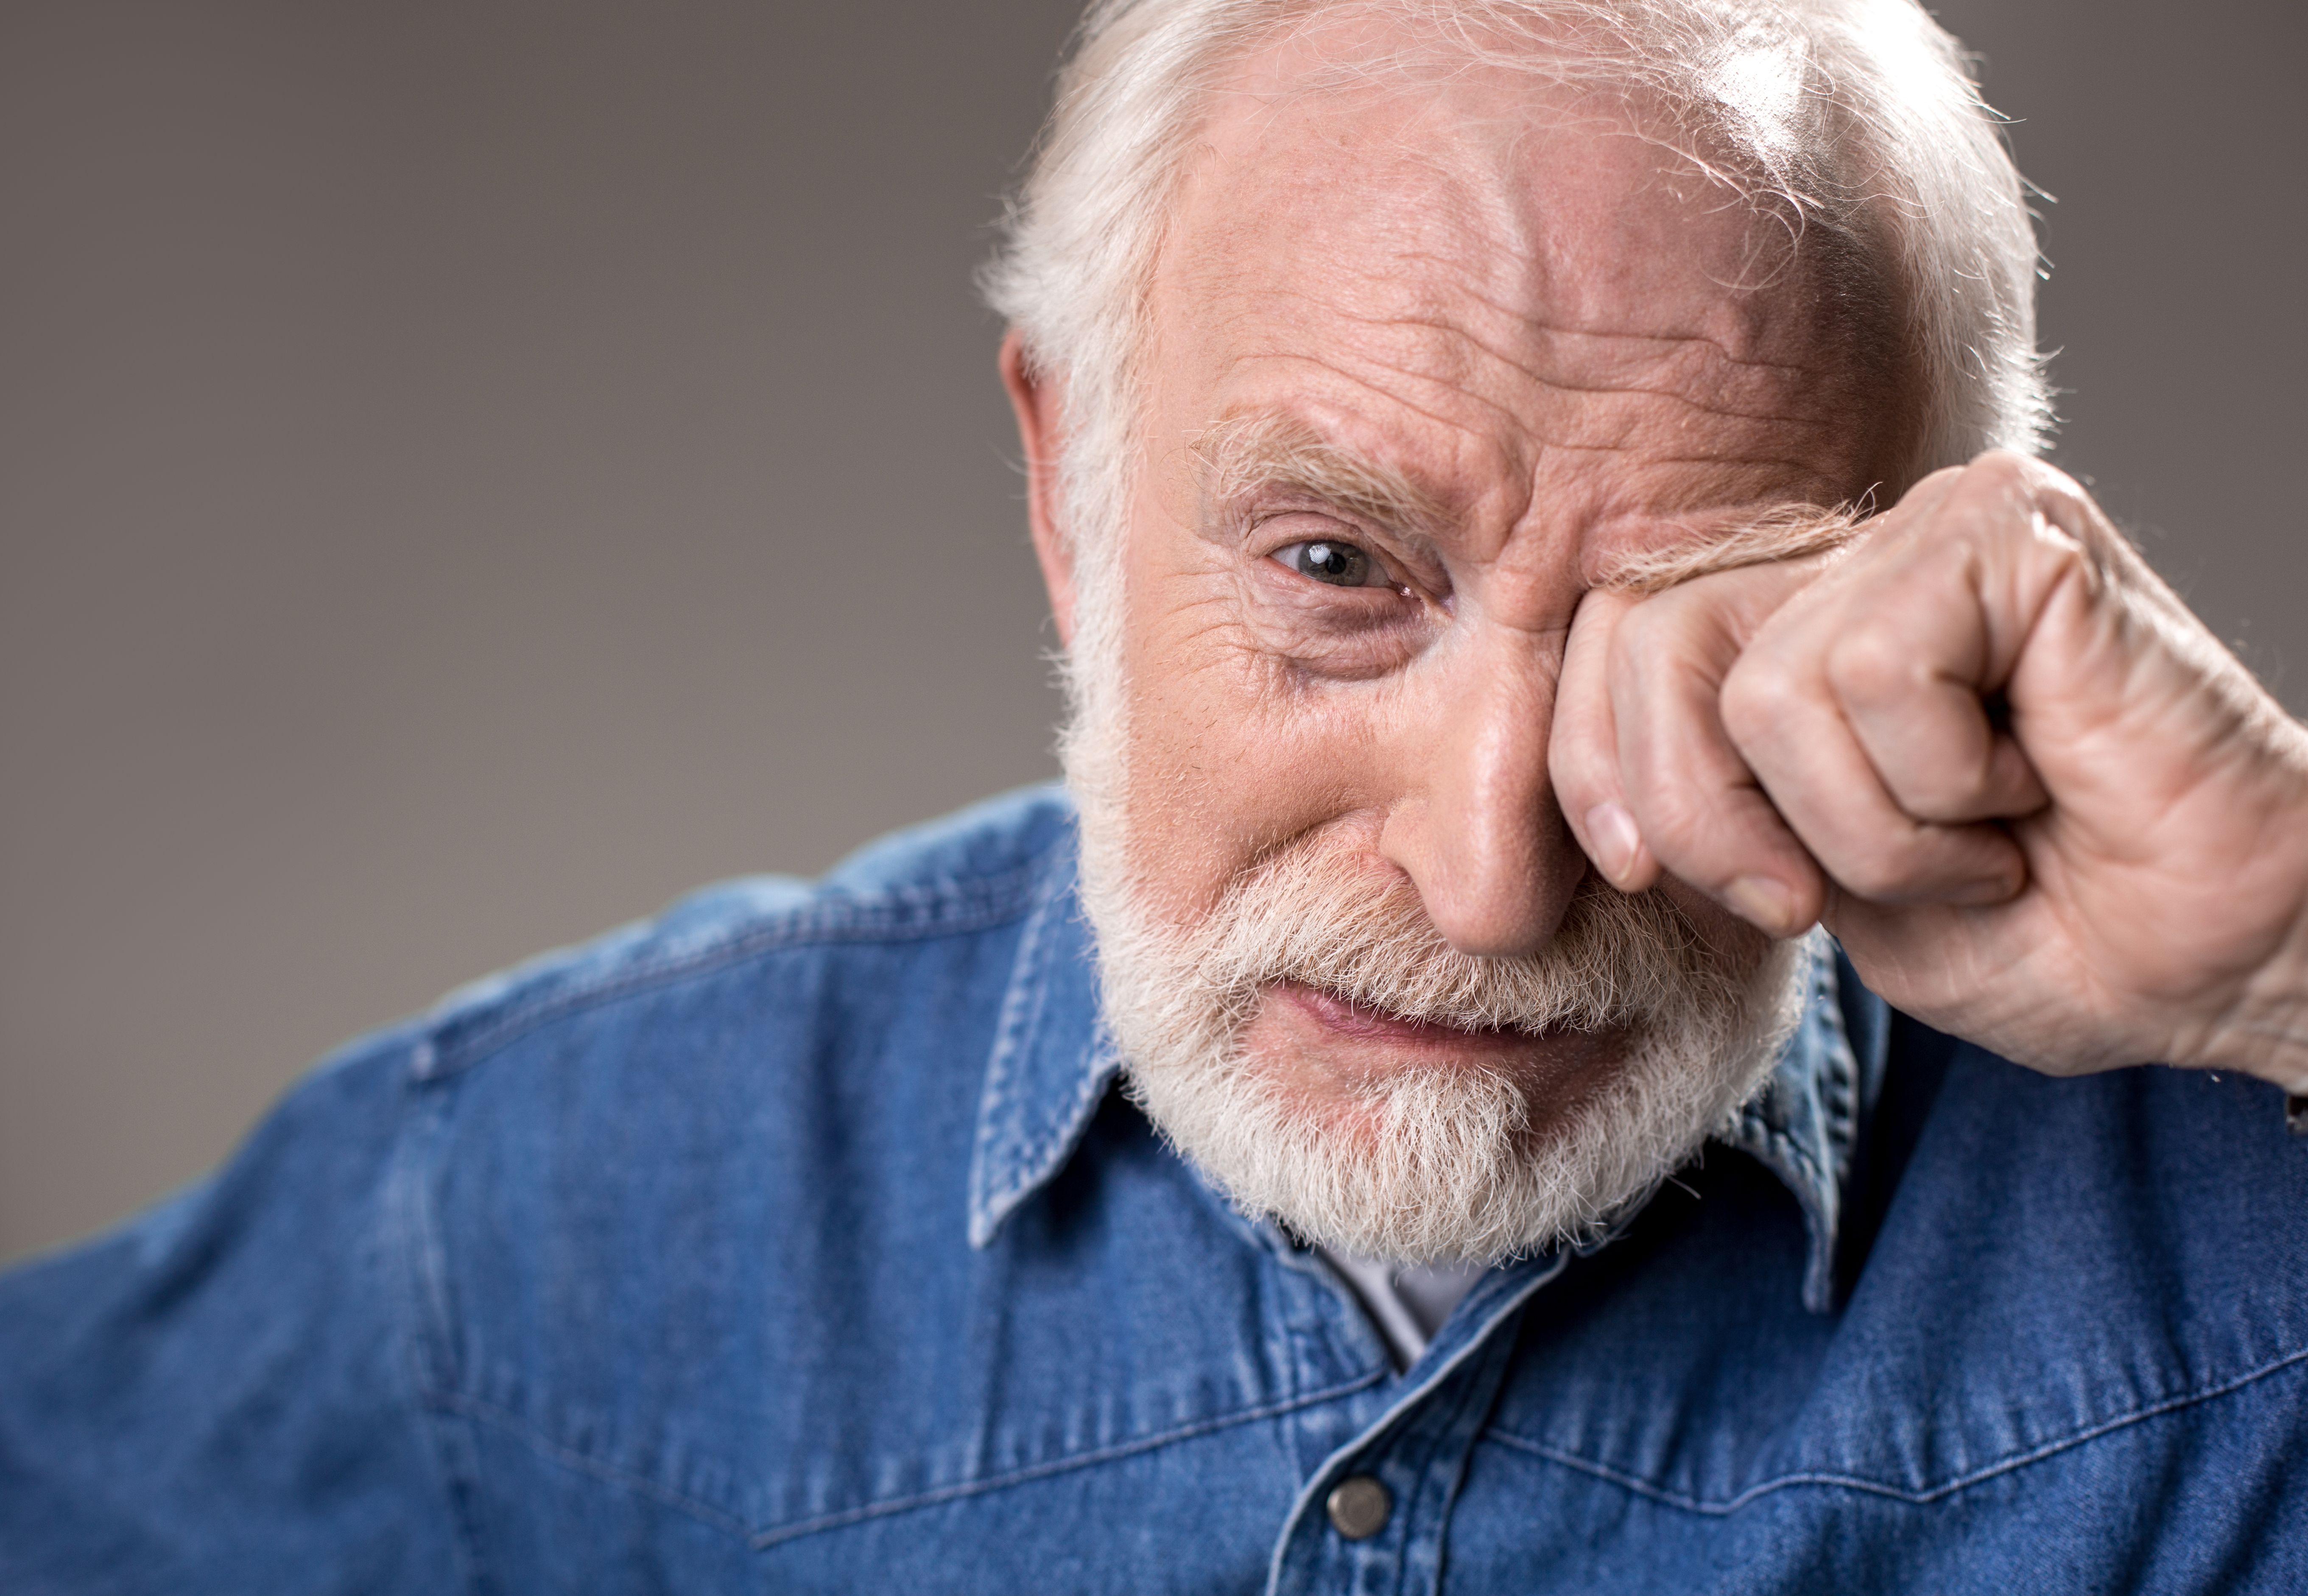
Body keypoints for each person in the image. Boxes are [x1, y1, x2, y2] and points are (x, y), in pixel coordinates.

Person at [5, 0, 2306, 1589]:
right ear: (1069, 491)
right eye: (1333, 569)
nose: (1491, 883)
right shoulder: (543, 1212)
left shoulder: (2248, 1217)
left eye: (1681, 619)